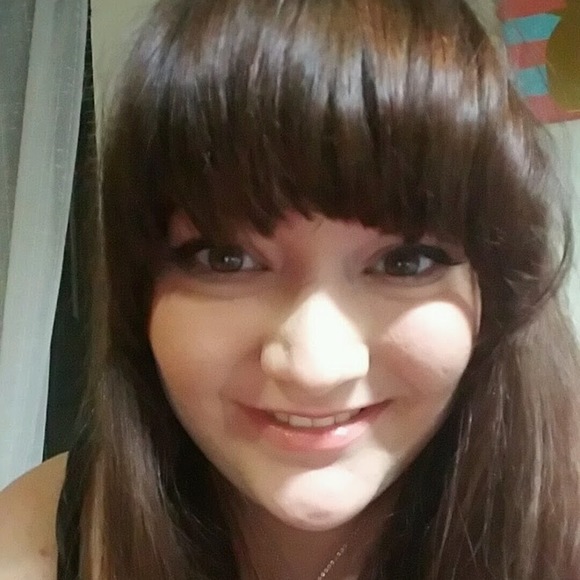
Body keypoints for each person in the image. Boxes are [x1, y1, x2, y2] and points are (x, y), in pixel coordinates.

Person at [1, 0, 580, 578]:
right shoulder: (35, 541)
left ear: (495, 292)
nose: (314, 368)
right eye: (226, 259)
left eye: (405, 262)